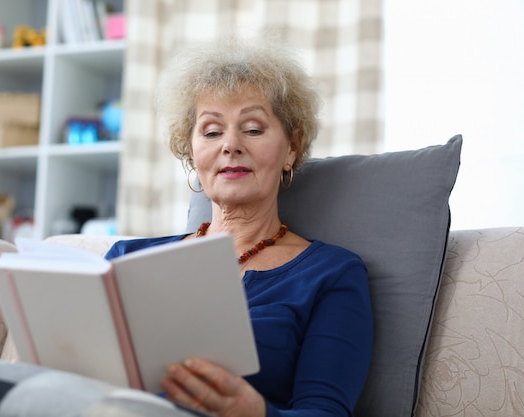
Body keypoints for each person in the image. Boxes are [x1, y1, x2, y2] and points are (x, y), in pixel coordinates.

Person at [105, 36, 373, 417]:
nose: (230, 144)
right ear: (192, 151)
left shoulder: (331, 274)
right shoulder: (125, 259)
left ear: (291, 147)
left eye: (253, 128)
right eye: (212, 132)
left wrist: (256, 412)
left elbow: (325, 412)